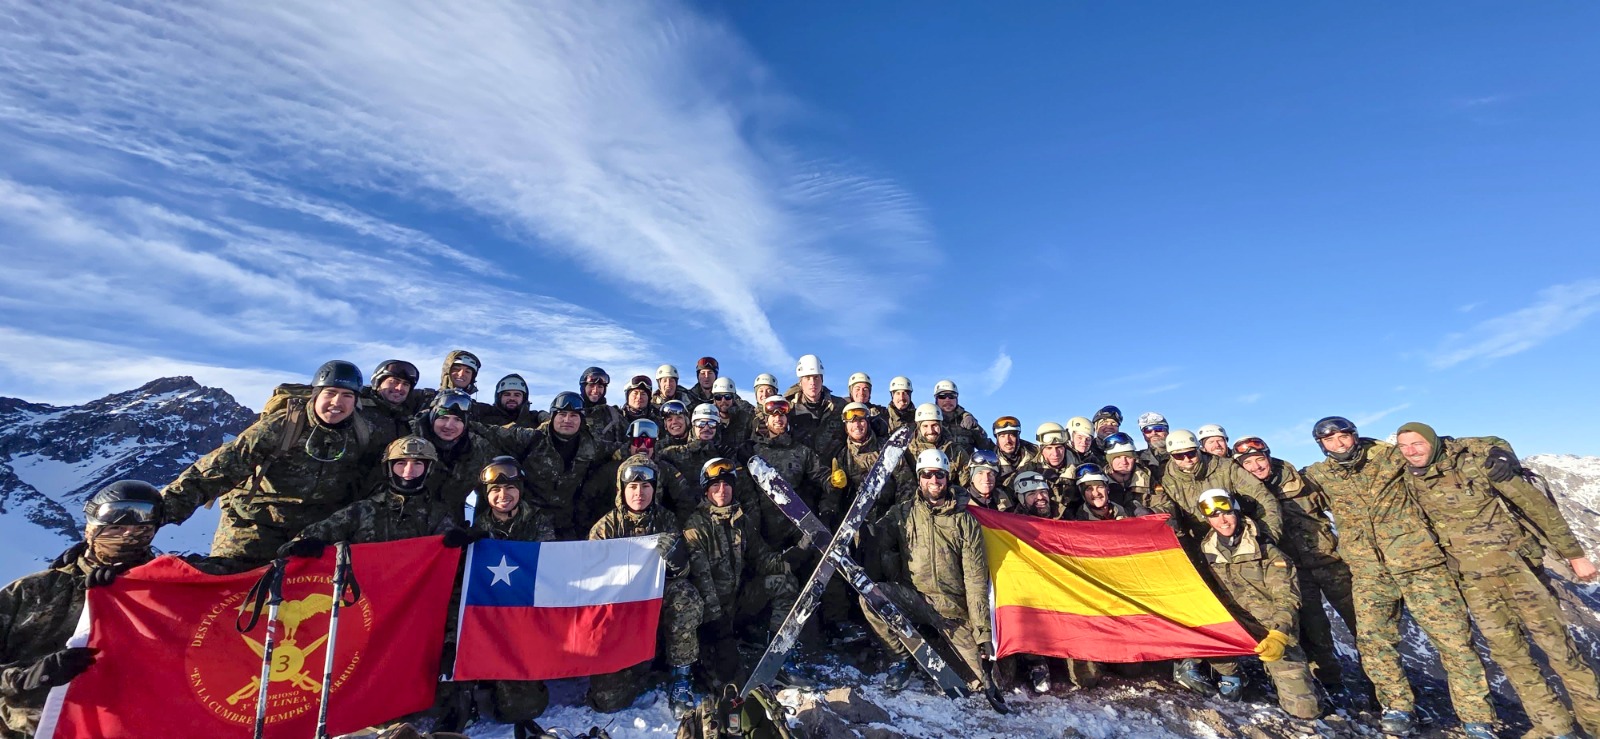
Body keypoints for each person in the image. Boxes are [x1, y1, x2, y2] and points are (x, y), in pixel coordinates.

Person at [1396, 422, 1600, 739]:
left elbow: (1537, 507)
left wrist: (1574, 554)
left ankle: (1595, 723)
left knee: (1561, 651)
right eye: (1404, 446)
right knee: (1512, 657)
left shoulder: (1477, 462)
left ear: (1433, 441)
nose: (1411, 451)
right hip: (1474, 583)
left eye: (1418, 443)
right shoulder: (1410, 479)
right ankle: (1555, 728)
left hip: (1518, 571)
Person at [1300, 417, 1495, 737]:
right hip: (1369, 571)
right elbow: (1281, 485)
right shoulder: (1320, 474)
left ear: (1354, 435)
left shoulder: (1391, 456)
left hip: (1420, 564)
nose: (1338, 444)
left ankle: (1476, 718)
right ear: (1321, 445)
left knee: (1454, 641)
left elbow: (1443, 446)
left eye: (1343, 436)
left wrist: (1497, 449)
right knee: (1373, 640)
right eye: (1329, 440)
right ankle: (1397, 706)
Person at [161, 360, 382, 568]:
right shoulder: (281, 426)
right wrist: (158, 512)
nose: (337, 402)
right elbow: (217, 469)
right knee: (231, 583)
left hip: (313, 532)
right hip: (254, 523)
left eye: (347, 395)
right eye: (330, 393)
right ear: (315, 395)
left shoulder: (363, 434)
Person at [0, 481, 163, 736]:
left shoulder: (165, 592)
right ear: (91, 529)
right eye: (116, 528)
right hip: (34, 730)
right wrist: (26, 677)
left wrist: (138, 582)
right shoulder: (30, 592)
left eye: (141, 530)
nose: (127, 537)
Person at [864, 450, 1002, 710]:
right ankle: (902, 658)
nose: (934, 480)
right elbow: (876, 538)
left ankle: (939, 644)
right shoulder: (902, 513)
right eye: (927, 474)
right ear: (919, 478)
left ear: (947, 478)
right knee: (871, 596)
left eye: (939, 475)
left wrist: (983, 633)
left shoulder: (965, 521)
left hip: (952, 611)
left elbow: (975, 582)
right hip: (916, 599)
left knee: (983, 682)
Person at [1232, 436, 1360, 703]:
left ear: (1269, 457)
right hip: (1295, 570)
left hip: (1330, 561)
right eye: (1248, 464)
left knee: (1360, 622)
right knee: (1315, 628)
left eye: (1259, 459)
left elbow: (1340, 506)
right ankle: (1331, 680)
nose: (1256, 467)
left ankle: (1380, 684)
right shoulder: (1245, 497)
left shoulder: (1301, 481)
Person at [586, 456, 714, 719]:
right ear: (622, 489)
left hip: (656, 600)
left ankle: (681, 676)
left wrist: (677, 562)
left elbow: (681, 574)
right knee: (607, 700)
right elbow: (592, 582)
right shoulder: (605, 528)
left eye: (645, 487)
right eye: (632, 487)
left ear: (655, 489)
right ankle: (641, 665)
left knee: (685, 596)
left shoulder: (666, 521)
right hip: (620, 611)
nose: (639, 493)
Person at [1191, 490, 1322, 720]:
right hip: (1233, 625)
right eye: (1214, 516)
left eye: (1226, 513)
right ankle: (1231, 674)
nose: (1222, 521)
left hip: (1271, 628)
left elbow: (1287, 598)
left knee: (1304, 710)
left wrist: (1279, 634)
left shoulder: (1267, 552)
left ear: (1236, 511)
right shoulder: (1205, 551)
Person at [681, 458, 803, 687]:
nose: (722, 490)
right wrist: (718, 627)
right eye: (715, 485)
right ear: (706, 490)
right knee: (727, 681)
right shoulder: (695, 527)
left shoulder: (741, 521)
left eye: (727, 484)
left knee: (783, 582)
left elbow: (761, 558)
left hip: (737, 602)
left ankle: (779, 654)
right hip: (710, 617)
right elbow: (702, 581)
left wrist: (789, 559)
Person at [476, 391, 614, 540]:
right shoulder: (532, 438)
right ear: (553, 417)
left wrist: (628, 449)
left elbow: (620, 449)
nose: (567, 420)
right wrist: (461, 420)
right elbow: (490, 432)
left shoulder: (591, 445)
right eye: (562, 414)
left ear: (581, 419)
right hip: (529, 525)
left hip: (566, 525)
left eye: (574, 415)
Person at [1153, 430, 1281, 542]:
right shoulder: (1166, 480)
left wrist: (1268, 535)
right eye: (1179, 456)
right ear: (1171, 456)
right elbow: (1169, 515)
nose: (1187, 459)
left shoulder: (1226, 468)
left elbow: (1263, 497)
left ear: (1198, 449)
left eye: (1191, 453)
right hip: (1199, 542)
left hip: (1240, 537)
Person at [414, 390, 508, 528]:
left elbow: (491, 492)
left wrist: (482, 527)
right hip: (404, 531)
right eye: (443, 418)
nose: (449, 426)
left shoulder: (477, 450)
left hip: (452, 531)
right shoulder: (408, 441)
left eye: (457, 420)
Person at [785, 354, 848, 461]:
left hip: (834, 467)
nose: (812, 383)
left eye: (816, 377)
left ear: (822, 380)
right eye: (807, 378)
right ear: (800, 382)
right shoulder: (788, 407)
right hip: (800, 467)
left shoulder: (840, 406)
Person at [903, 404, 972, 493]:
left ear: (940, 425)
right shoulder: (907, 450)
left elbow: (966, 485)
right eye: (925, 426)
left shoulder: (956, 451)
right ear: (919, 427)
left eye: (934, 425)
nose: (930, 431)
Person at [363, 359, 426, 443]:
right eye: (394, 381)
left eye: (406, 384)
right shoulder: (357, 407)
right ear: (378, 383)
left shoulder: (414, 410)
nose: (399, 388)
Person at [932, 380, 993, 452]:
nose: (947, 400)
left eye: (952, 396)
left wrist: (975, 427)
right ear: (936, 399)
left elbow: (987, 447)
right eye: (942, 396)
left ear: (956, 399)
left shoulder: (968, 422)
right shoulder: (928, 422)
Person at [1102, 432, 1156, 511]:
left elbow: (1165, 504)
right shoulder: (1099, 483)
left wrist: (1151, 511)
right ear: (1109, 461)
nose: (1124, 462)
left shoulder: (1148, 479)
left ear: (1134, 459)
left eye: (1128, 457)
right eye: (1118, 457)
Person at [1070, 465, 1145, 521]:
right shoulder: (1078, 522)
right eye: (1089, 489)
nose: (1096, 493)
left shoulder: (1127, 513)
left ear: (1107, 489)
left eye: (1100, 487)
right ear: (1083, 494)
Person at [1033, 422, 1079, 512]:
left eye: (1059, 448)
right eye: (1049, 448)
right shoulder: (1030, 471)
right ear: (1041, 450)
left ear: (1065, 448)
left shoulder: (1081, 470)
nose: (1055, 454)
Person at [991, 415, 1039, 491]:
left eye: (1011, 435)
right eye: (1002, 436)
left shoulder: (1036, 455)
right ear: (997, 439)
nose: (1008, 441)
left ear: (1018, 437)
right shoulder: (990, 462)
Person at [579, 367, 625, 443]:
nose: (595, 390)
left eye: (600, 386)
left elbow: (629, 442)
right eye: (591, 385)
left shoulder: (614, 415)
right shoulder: (572, 412)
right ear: (583, 388)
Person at [709, 377, 755, 448]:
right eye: (718, 397)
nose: (723, 401)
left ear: (733, 398)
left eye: (727, 396)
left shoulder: (746, 418)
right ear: (714, 399)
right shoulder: (707, 418)